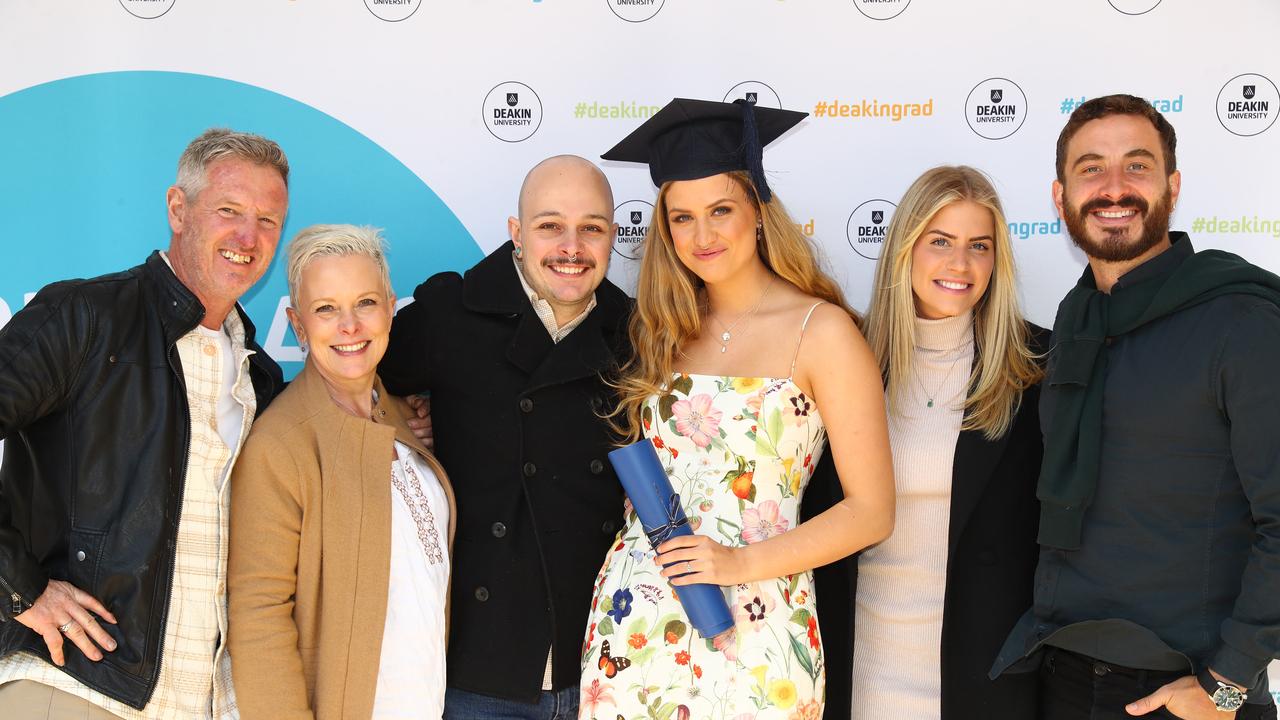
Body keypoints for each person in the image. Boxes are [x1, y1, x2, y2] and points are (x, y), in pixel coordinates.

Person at [578, 98, 895, 719]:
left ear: (758, 209)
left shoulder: (822, 332)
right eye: (682, 217)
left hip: (759, 628)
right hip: (636, 627)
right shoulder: (656, 330)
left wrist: (737, 563)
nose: (704, 236)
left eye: (721, 209)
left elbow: (872, 512)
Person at [991, 94, 1280, 720]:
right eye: (1091, 168)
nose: (1113, 187)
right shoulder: (1075, 320)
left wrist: (1227, 682)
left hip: (1188, 691)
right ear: (1060, 194)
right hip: (1061, 673)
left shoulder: (1242, 321)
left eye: (1137, 166)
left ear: (1172, 187)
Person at [0, 128, 289, 718]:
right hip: (73, 688)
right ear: (178, 210)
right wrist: (17, 590)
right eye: (229, 210)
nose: (248, 237)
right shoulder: (84, 316)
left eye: (268, 220)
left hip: (204, 704)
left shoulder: (259, 375)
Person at [377, 155, 631, 719]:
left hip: (602, 662)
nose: (571, 247)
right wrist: (402, 417)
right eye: (549, 226)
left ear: (613, 236)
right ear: (516, 233)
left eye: (591, 227)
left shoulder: (638, 335)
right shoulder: (451, 315)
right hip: (478, 667)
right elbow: (354, 374)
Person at [227, 224, 455, 719]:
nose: (349, 326)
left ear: (392, 309)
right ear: (297, 323)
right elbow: (257, 616)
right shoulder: (280, 444)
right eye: (326, 308)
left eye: (366, 303)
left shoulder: (403, 419)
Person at [844, 165, 1045, 719]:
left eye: (978, 246)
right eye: (940, 242)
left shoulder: (1037, 368)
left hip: (984, 676)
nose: (960, 264)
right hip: (863, 665)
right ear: (905, 245)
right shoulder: (846, 357)